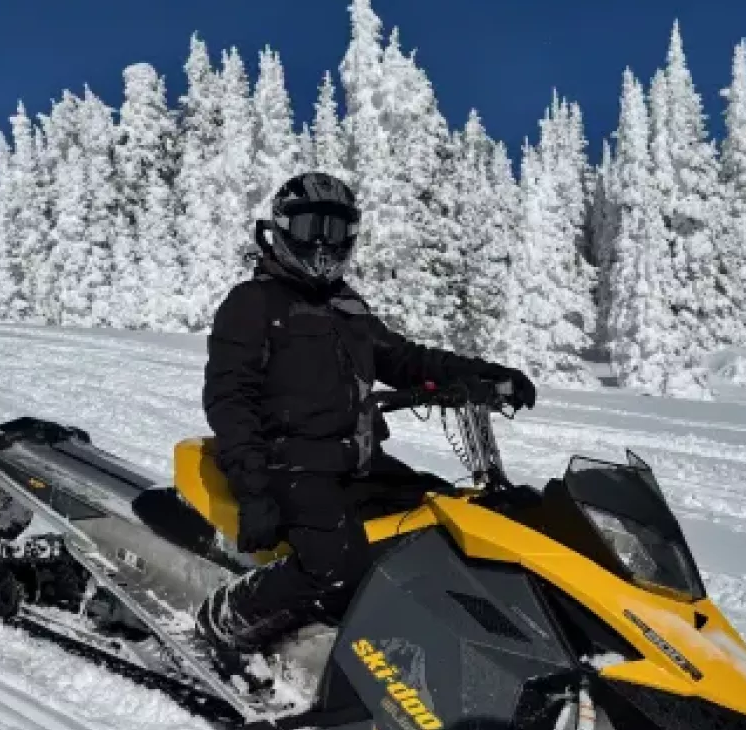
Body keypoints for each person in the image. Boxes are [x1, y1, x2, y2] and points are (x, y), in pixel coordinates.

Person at [196, 171, 536, 655]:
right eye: (311, 227)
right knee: (336, 564)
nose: (322, 243)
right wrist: (254, 491)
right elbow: (229, 400)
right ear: (282, 229)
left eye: (335, 230)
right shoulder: (252, 304)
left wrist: (486, 375)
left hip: (355, 466)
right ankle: (221, 624)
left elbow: (408, 360)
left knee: (443, 523)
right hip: (286, 467)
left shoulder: (347, 309)